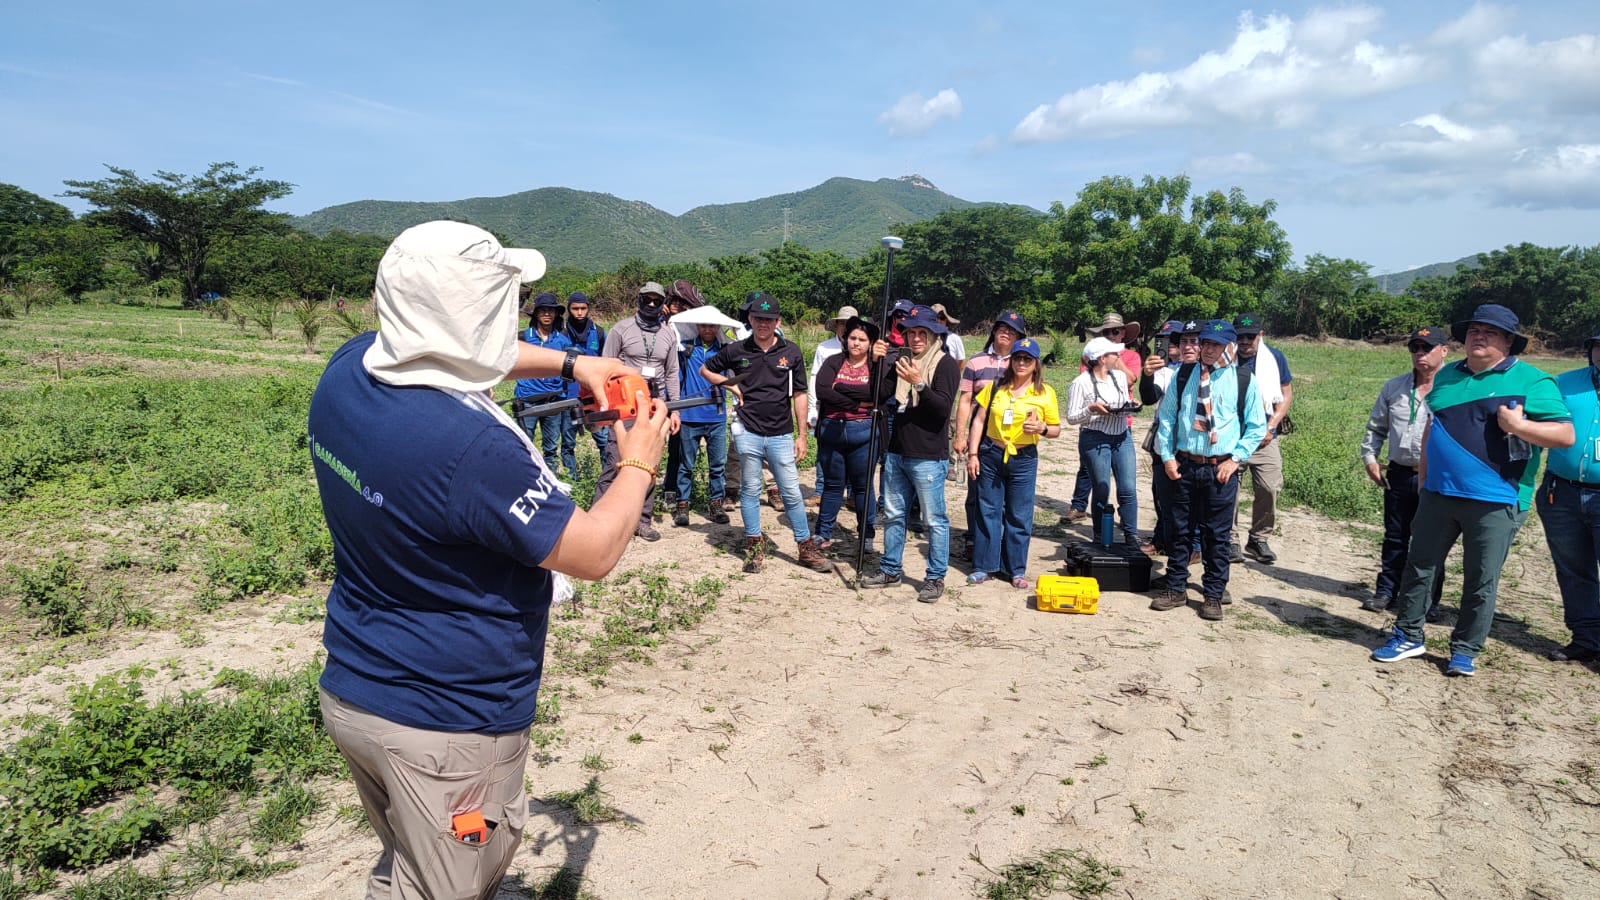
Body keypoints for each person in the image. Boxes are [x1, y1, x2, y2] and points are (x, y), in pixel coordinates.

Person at [309, 221, 669, 900]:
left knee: (410, 860)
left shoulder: (349, 370)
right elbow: (591, 551)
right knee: (445, 882)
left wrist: (572, 364)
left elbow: (456, 354)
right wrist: (640, 459)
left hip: (357, 683)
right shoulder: (470, 450)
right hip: (445, 720)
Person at [1372, 304, 1574, 677]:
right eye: (1474, 331)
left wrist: (1519, 426)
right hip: (1439, 494)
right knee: (1420, 567)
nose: (1479, 337)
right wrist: (1424, 482)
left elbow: (1565, 435)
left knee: (1481, 579)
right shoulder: (1447, 376)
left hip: (1497, 499)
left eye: (1491, 332)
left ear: (1509, 342)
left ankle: (1464, 649)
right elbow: (1435, 429)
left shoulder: (1534, 381)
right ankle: (1408, 634)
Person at [700, 292, 829, 573]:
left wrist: (802, 435)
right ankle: (754, 547)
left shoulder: (791, 352)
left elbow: (800, 393)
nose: (763, 324)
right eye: (758, 318)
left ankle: (805, 548)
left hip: (781, 433)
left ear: (777, 321)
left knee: (792, 493)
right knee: (749, 489)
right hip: (748, 430)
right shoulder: (737, 350)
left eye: (769, 320)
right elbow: (705, 369)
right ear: (750, 319)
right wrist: (729, 383)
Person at [1150, 320, 1267, 620]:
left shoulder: (1243, 379)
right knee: (1179, 530)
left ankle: (1213, 594)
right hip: (1185, 464)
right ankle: (1176, 588)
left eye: (1216, 344)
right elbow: (1167, 419)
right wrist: (1167, 456)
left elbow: (1256, 427)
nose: (1209, 349)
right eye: (1206, 343)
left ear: (1229, 346)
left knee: (1216, 535)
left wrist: (1236, 459)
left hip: (1220, 469)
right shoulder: (1184, 375)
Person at [861, 306, 963, 602]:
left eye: (922, 332)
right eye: (911, 332)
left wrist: (919, 382)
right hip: (897, 450)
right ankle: (891, 569)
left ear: (934, 334)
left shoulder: (944, 365)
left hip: (929, 454)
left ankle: (935, 577)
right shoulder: (902, 361)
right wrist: (876, 363)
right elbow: (878, 396)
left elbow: (943, 408)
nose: (916, 338)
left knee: (934, 519)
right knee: (893, 515)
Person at [1359, 326, 1450, 615]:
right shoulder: (1394, 387)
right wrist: (1370, 458)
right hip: (1399, 473)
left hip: (1436, 476)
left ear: (1444, 350)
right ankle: (1386, 590)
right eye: (1415, 348)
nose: (1420, 354)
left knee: (1432, 541)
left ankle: (1428, 600)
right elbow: (1376, 427)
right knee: (1395, 537)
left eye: (1427, 348)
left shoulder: (1453, 389)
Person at [965, 337, 1060, 588]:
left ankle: (1015, 569)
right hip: (992, 453)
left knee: (1019, 514)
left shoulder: (1044, 392)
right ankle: (984, 565)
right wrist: (972, 454)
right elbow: (978, 420)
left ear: (1036, 364)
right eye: (1017, 357)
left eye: (1027, 359)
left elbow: (1056, 429)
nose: (1021, 363)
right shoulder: (997, 386)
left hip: (1024, 457)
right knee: (988, 510)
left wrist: (1041, 427)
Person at [594, 282, 682, 541]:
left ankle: (641, 520)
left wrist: (673, 410)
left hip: (656, 409)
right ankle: (599, 519)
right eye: (647, 300)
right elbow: (605, 367)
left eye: (657, 301)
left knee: (649, 467)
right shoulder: (621, 329)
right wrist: (606, 407)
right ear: (639, 300)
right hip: (624, 407)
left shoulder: (668, 334)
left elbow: (672, 373)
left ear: (663, 303)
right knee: (614, 462)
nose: (652, 305)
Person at [1538, 326, 1600, 664]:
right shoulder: (1563, 384)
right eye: (1598, 346)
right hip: (1560, 494)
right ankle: (1587, 638)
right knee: (1574, 570)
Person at [813, 316, 892, 549]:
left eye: (862, 340)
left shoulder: (878, 366)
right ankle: (822, 533)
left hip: (864, 433)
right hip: (833, 430)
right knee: (833, 485)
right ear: (845, 339)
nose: (856, 343)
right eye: (852, 338)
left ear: (870, 343)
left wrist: (844, 390)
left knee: (862, 486)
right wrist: (858, 403)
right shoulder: (833, 362)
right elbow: (823, 391)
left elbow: (880, 394)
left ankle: (866, 535)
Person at [954, 310, 1028, 558]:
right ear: (994, 331)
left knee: (1009, 496)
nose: (1006, 332)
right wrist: (960, 434)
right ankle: (975, 539)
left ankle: (1003, 543)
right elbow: (965, 400)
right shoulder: (976, 362)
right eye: (1002, 327)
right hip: (980, 434)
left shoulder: (1022, 363)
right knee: (976, 492)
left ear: (1019, 337)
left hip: (1009, 438)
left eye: (1013, 330)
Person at [1064, 313, 1142, 524]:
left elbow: (1131, 380)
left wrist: (1117, 361)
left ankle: (1130, 534)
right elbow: (1089, 380)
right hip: (1095, 431)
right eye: (1106, 332)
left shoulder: (1131, 357)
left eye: (1115, 331)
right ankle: (1082, 509)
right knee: (1094, 477)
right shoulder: (1090, 365)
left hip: (1122, 426)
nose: (1111, 335)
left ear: (1124, 332)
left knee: (1126, 487)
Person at [1230, 313, 1292, 564]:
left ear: (1260, 335)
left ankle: (1258, 538)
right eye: (1239, 336)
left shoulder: (1274, 359)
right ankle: (1229, 539)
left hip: (1265, 436)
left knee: (1269, 486)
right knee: (1229, 488)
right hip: (1232, 435)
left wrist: (1271, 425)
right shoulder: (1225, 358)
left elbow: (1286, 394)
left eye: (1250, 336)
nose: (1244, 341)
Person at [671, 313, 733, 527]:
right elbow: (675, 379)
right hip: (690, 415)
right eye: (704, 324)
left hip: (716, 415)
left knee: (717, 465)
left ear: (717, 327)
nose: (708, 329)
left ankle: (716, 504)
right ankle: (682, 505)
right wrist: (675, 409)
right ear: (697, 326)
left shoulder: (726, 350)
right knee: (686, 465)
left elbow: (737, 374)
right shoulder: (685, 349)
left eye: (712, 325)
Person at [1140, 320, 1193, 555]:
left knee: (1189, 498)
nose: (1170, 345)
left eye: (1175, 340)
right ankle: (1162, 538)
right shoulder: (1163, 370)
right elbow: (1150, 397)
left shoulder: (1201, 368)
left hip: (1192, 442)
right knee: (1161, 493)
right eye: (1164, 339)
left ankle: (1192, 546)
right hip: (1164, 439)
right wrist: (1147, 375)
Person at [806, 305, 859, 507]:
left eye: (849, 324)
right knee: (824, 450)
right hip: (828, 406)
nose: (845, 328)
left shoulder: (864, 346)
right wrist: (813, 408)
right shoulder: (825, 348)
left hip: (854, 408)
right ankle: (821, 490)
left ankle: (853, 494)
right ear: (836, 325)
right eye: (842, 323)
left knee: (855, 451)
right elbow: (814, 379)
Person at [512, 292, 572, 469]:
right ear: (536, 314)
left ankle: (549, 485)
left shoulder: (562, 340)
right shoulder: (523, 337)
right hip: (527, 400)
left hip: (553, 401)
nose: (547, 314)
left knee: (551, 449)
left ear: (556, 314)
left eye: (550, 311)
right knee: (523, 446)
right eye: (543, 311)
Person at [662, 279, 707, 507]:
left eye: (683, 303)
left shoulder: (687, 327)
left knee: (678, 445)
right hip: (662, 391)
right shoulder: (659, 324)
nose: (678, 306)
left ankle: (672, 489)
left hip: (682, 389)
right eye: (675, 302)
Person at [560, 291, 609, 470]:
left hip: (593, 396)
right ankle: (572, 482)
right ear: (569, 310)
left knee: (604, 441)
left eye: (583, 308)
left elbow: (606, 360)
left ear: (588, 309)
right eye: (575, 309)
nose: (579, 313)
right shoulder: (562, 334)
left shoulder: (599, 332)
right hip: (569, 396)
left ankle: (608, 477)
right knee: (568, 443)